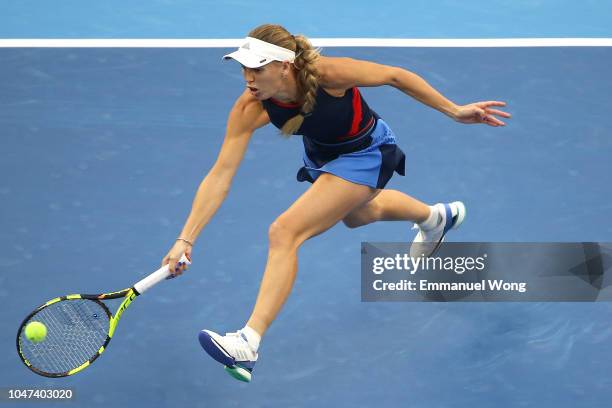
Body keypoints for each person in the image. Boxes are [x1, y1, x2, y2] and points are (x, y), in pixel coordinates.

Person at [162, 23, 511, 382]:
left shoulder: (329, 74)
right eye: (244, 67)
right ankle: (436, 217)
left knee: (284, 232)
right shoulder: (250, 107)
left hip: (368, 152)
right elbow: (221, 174)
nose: (248, 77)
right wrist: (185, 238)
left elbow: (394, 75)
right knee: (361, 215)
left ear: (284, 66)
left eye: (258, 68)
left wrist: (453, 111)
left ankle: (247, 342)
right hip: (324, 159)